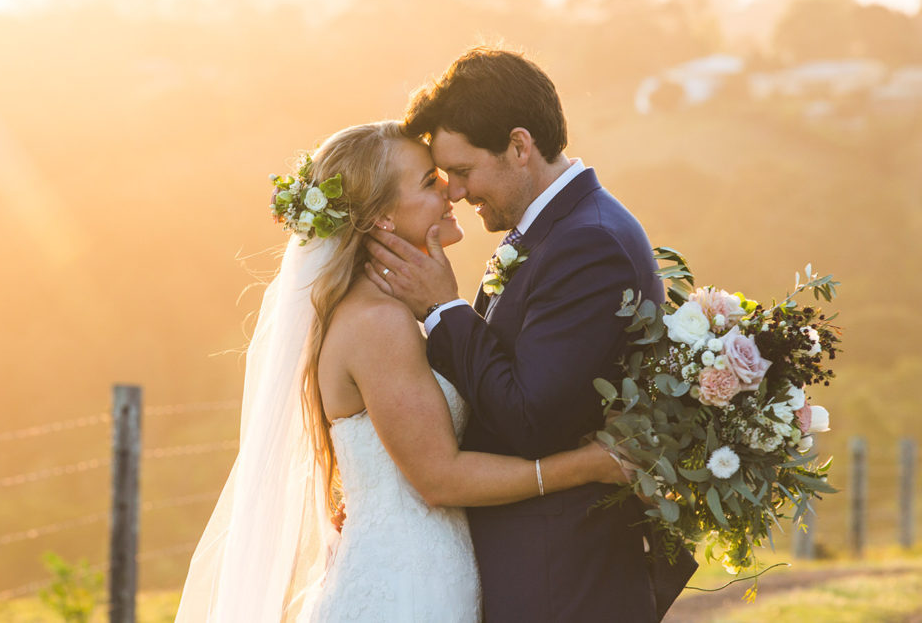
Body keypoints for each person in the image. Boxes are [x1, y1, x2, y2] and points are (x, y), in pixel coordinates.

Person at [175, 120, 628, 622]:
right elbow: (439, 479)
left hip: (424, 571)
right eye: (429, 183)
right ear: (383, 219)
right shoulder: (378, 324)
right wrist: (591, 464)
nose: (450, 192)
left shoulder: (388, 313)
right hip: (405, 588)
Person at [365, 48, 698, 622]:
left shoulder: (587, 242)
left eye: (464, 172)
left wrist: (443, 309)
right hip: (539, 563)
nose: (458, 194)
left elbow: (530, 418)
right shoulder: (548, 230)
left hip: (558, 575)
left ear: (519, 147)